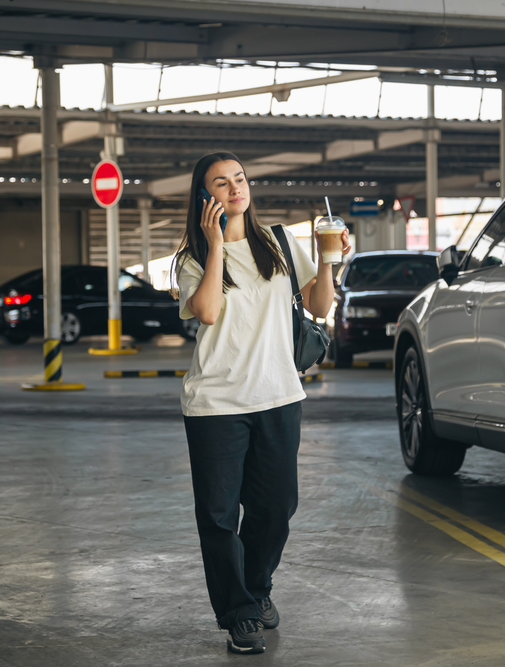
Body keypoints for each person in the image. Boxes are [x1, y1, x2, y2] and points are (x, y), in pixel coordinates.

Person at [173, 152, 351, 654]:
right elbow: (207, 311)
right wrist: (214, 245)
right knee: (219, 515)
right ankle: (239, 612)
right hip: (216, 403)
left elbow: (317, 307)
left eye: (240, 179)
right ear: (204, 198)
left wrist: (329, 258)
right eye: (221, 184)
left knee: (276, 508)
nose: (235, 189)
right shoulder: (191, 256)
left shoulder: (277, 241)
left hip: (278, 395)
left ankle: (257, 589)